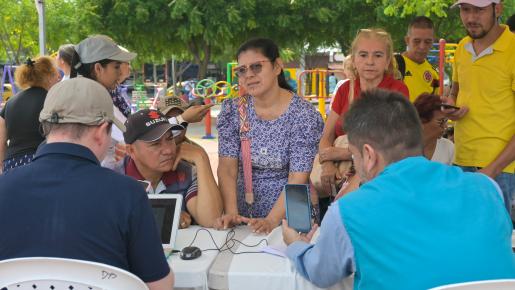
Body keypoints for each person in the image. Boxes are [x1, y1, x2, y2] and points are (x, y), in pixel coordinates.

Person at [283, 89, 515, 290]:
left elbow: (321, 273)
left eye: (354, 156)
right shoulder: (487, 188)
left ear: (369, 155)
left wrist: (296, 245)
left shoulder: (348, 212)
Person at [0, 78, 174, 289]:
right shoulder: (128, 193)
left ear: (47, 127)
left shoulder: (5, 186)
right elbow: (159, 285)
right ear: (102, 132)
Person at [216, 38, 323, 234]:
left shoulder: (303, 115)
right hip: (244, 215)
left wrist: (271, 220)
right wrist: (231, 212)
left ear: (277, 66)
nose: (249, 75)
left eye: (256, 67)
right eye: (242, 70)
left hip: (290, 215)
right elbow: (227, 168)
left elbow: (297, 177)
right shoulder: (233, 111)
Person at [315, 28, 409, 218]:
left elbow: (391, 145)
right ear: (354, 58)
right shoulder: (344, 90)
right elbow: (326, 137)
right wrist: (327, 165)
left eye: (378, 55)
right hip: (338, 177)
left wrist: (344, 153)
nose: (370, 62)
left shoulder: (397, 91)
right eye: (363, 55)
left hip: (376, 178)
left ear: (387, 59)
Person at [445, 0, 515, 215]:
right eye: (466, 10)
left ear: (498, 9)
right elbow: (454, 92)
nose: (471, 18)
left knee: (496, 243)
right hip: (461, 160)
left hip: (502, 170)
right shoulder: (461, 48)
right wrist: (450, 107)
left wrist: (493, 169)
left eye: (479, 10)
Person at [121, 109, 223, 228]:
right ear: (131, 150)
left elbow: (212, 220)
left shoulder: (186, 172)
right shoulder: (113, 177)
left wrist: (201, 158)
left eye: (170, 139)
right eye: (155, 143)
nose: (168, 150)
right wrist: (164, 216)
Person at [0, 56, 60, 173]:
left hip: (12, 163)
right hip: (43, 161)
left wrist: (3, 166)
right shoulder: (52, 100)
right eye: (54, 74)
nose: (58, 77)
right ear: (48, 77)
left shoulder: (10, 102)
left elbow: (1, 140)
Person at [395, 16, 439, 102]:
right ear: (407, 40)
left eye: (427, 42)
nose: (422, 47)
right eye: (417, 41)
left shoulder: (434, 74)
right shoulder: (393, 64)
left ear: (433, 42)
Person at [414, 93, 455, 165]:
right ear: (421, 121)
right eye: (441, 121)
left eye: (445, 121)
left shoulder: (448, 147)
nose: (445, 126)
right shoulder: (402, 148)